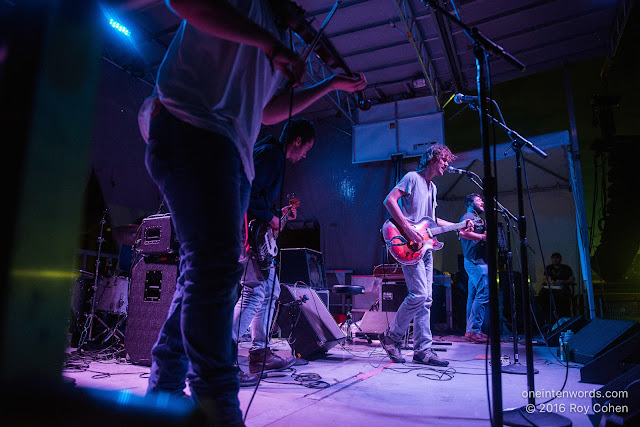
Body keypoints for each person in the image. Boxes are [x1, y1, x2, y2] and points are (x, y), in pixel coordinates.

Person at [137, 1, 367, 425]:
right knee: (214, 273)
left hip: (230, 152)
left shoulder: (278, 41)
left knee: (203, 275)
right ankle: (217, 404)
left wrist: (330, 84)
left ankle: (165, 390)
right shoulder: (250, 10)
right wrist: (267, 42)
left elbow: (266, 112)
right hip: (192, 125)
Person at [232, 118, 316, 384]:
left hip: (251, 231)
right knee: (254, 292)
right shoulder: (270, 155)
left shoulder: (270, 154)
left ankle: (259, 353)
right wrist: (270, 217)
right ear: (298, 140)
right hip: (245, 234)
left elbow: (256, 196)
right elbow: (245, 192)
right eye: (307, 148)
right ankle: (221, 356)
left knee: (270, 290)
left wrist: (273, 216)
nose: (305, 155)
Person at [380, 145, 473, 365]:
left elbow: (432, 221)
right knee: (419, 294)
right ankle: (391, 338)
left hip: (426, 246)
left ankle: (423, 350)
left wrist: (459, 226)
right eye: (443, 160)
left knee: (427, 300)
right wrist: (408, 228)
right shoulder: (412, 177)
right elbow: (390, 200)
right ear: (432, 159)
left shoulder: (432, 189)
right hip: (407, 242)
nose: (446, 165)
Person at [458, 193, 489, 344]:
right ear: (470, 203)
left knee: (474, 295)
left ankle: (470, 330)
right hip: (475, 262)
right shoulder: (467, 216)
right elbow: (462, 233)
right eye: (478, 200)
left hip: (476, 260)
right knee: (483, 293)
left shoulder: (478, 218)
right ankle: (474, 330)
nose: (482, 202)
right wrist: (483, 237)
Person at [538, 252, 576, 321]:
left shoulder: (566, 268)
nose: (555, 260)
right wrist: (549, 282)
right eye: (553, 258)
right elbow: (544, 278)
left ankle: (562, 316)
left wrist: (562, 282)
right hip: (551, 288)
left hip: (563, 288)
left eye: (556, 258)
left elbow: (572, 279)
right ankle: (546, 315)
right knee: (542, 293)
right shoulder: (549, 268)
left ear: (560, 259)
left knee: (561, 297)